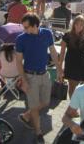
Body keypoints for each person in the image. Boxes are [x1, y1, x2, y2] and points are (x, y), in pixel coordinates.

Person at [15, 13, 62, 143]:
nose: (24, 30)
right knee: (35, 105)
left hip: (45, 74)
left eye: (26, 27)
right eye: (23, 27)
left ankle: (26, 115)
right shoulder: (21, 39)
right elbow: (18, 61)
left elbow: (52, 51)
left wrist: (59, 68)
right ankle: (38, 132)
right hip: (30, 76)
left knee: (46, 102)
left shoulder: (47, 33)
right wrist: (23, 80)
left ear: (35, 25)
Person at [59, 15, 84, 97]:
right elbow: (62, 53)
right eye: (77, 24)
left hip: (83, 63)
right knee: (72, 86)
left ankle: (82, 104)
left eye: (81, 25)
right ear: (73, 24)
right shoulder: (67, 35)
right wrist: (60, 67)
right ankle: (73, 106)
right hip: (71, 63)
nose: (79, 27)